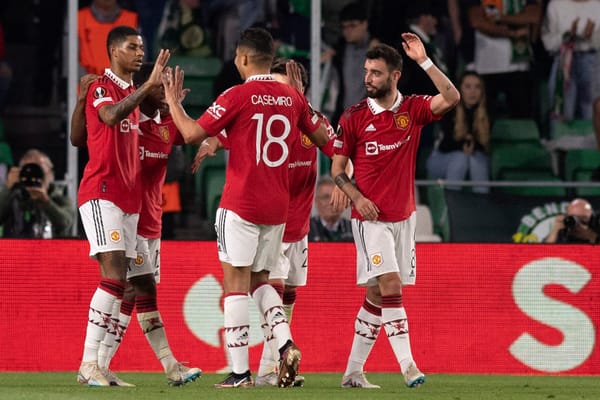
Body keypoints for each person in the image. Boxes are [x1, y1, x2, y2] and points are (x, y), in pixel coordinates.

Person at [162, 27, 330, 388]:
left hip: (241, 203)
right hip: (277, 207)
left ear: (242, 58)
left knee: (236, 284)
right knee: (262, 282)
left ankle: (240, 373)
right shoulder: (293, 98)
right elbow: (324, 140)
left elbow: (192, 135)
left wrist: (173, 102)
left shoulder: (238, 94)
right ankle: (285, 343)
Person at [331, 38, 460, 389]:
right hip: (370, 220)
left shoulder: (413, 110)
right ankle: (408, 365)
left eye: (376, 73)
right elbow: (337, 168)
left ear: (395, 76)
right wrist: (355, 197)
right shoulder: (354, 116)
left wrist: (426, 61)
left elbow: (452, 98)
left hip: (404, 218)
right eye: (366, 71)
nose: (368, 78)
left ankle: (353, 373)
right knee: (391, 285)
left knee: (376, 294)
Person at [71, 62, 201, 386]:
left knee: (139, 290)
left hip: (149, 218)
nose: (163, 94)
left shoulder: (165, 123)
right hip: (121, 208)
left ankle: (105, 364)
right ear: (141, 93)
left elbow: (193, 132)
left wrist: (176, 104)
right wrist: (81, 99)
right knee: (125, 287)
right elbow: (85, 133)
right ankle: (96, 363)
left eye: (165, 90)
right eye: (159, 88)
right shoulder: (125, 124)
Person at [71, 25, 170, 387]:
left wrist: (162, 98)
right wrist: (146, 87)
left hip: (130, 202)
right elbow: (108, 117)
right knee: (113, 276)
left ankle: (98, 365)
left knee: (129, 283)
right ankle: (87, 363)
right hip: (103, 192)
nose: (140, 53)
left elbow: (80, 136)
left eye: (142, 47)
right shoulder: (102, 86)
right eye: (133, 47)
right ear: (114, 51)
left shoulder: (133, 95)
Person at [466, 0, 541, 120]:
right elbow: (477, 21)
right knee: (484, 119)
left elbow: (533, 16)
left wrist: (499, 18)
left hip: (519, 66)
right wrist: (513, 32)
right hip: (487, 66)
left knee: (521, 118)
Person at [426, 70, 491, 193]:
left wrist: (472, 146)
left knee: (475, 158)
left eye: (477, 87)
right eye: (468, 87)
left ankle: (482, 202)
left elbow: (486, 147)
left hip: (470, 158)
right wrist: (463, 145)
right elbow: (444, 145)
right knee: (461, 158)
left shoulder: (486, 114)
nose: (473, 92)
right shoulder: (448, 109)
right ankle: (453, 203)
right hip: (441, 158)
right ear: (460, 89)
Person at [541, 0, 600, 122]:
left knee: (592, 111)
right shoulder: (556, 5)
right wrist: (568, 36)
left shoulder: (597, 5)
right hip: (563, 62)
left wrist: (591, 37)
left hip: (592, 61)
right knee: (562, 113)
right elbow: (548, 42)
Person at [0, 149, 74, 238]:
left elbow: (65, 224)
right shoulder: (13, 197)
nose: (33, 177)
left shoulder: (59, 198)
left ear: (50, 173)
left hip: (51, 250)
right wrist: (8, 188)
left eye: (38, 171)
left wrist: (46, 202)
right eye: (28, 172)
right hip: (15, 250)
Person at [328, 1, 380, 126]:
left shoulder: (378, 49)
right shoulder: (340, 50)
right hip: (344, 117)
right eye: (344, 27)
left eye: (352, 26)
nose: (347, 31)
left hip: (371, 118)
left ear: (365, 24)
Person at [78, 0, 139, 76]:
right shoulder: (77, 20)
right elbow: (71, 64)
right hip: (85, 85)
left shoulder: (132, 21)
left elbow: (138, 64)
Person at [308, 175, 354, 242]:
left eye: (335, 196)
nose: (331, 202)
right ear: (316, 201)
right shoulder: (306, 230)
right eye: (326, 197)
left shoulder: (353, 229)